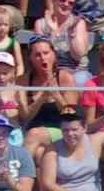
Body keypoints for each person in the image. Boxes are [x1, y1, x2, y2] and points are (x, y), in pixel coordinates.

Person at [21, 34, 76, 162]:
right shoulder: (24, 80)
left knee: (34, 135)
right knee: (39, 154)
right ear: (30, 59)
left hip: (61, 129)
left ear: (53, 55)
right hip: (33, 131)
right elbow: (25, 117)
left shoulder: (64, 78)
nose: (42, 58)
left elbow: (72, 117)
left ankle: (17, 171)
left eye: (46, 53)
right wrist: (42, 98)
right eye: (37, 55)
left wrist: (56, 95)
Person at [32, 0, 91, 85]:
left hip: (75, 70)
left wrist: (71, 36)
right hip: (50, 71)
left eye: (70, 3)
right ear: (54, 1)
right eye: (62, 0)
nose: (66, 4)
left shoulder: (78, 23)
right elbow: (41, 53)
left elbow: (78, 55)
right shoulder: (41, 24)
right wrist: (53, 30)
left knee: (80, 81)